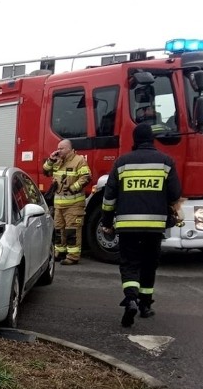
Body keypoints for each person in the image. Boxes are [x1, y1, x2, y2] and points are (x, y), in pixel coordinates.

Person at [100, 123, 182, 327]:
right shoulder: (165, 162)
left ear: (134, 140)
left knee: (129, 263)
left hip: (128, 226)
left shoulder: (122, 162)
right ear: (152, 139)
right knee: (149, 264)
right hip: (154, 226)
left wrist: (107, 223)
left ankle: (130, 300)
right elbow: (174, 194)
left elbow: (109, 197)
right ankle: (145, 305)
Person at [42, 139, 91, 265]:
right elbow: (46, 171)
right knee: (59, 229)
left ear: (69, 149)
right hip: (59, 204)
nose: (58, 151)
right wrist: (51, 160)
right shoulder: (57, 161)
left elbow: (86, 177)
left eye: (61, 148)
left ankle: (73, 256)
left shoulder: (79, 160)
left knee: (72, 230)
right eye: (57, 148)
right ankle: (60, 252)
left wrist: (73, 188)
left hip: (74, 204)